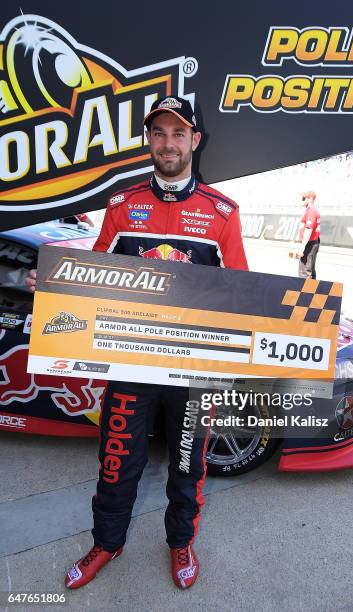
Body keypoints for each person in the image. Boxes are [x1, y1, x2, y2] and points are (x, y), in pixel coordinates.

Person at [26, 96, 248, 590]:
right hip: (131, 365)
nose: (168, 143)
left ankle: (180, 543)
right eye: (159, 133)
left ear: (195, 140)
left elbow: (242, 293)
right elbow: (90, 273)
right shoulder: (122, 207)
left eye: (178, 133)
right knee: (117, 463)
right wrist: (55, 285)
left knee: (188, 467)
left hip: (192, 373)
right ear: (150, 140)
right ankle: (107, 542)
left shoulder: (222, 213)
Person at [289, 190, 320, 279]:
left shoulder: (311, 211)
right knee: (309, 270)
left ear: (310, 199)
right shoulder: (310, 210)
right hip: (312, 242)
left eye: (303, 198)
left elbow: (308, 229)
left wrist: (302, 247)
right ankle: (311, 291)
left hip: (309, 243)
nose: (301, 200)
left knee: (304, 273)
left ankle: (306, 292)